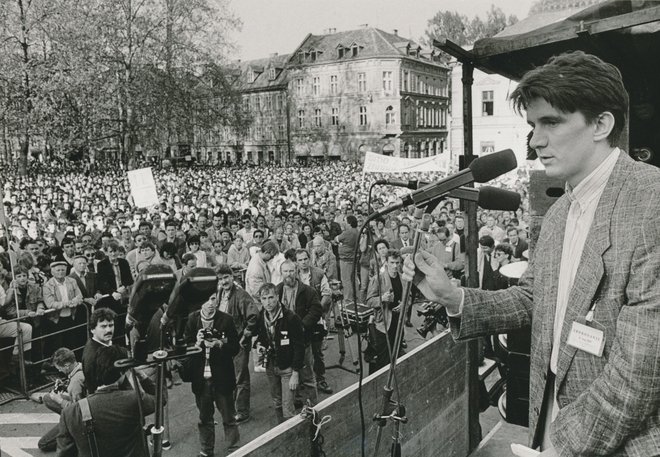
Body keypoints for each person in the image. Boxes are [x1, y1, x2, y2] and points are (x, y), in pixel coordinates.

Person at [403, 51, 660, 456]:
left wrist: (562, 444)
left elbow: (640, 374)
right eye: (532, 125)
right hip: (548, 420)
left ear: (601, 124)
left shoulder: (652, 202)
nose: (535, 140)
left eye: (551, 122)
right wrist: (453, 298)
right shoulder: (559, 212)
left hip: (613, 440)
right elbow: (533, 297)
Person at [56, 345, 155, 457]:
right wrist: (142, 376)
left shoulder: (69, 413)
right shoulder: (133, 399)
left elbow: (64, 454)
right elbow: (160, 399)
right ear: (121, 372)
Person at [184, 291, 241, 456]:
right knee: (204, 419)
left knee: (229, 417)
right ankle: (206, 451)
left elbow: (235, 347)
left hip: (222, 378)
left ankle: (234, 449)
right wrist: (197, 342)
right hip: (202, 381)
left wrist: (219, 344)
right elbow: (186, 348)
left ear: (217, 299)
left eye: (213, 299)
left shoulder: (226, 319)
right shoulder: (192, 319)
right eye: (206, 299)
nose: (210, 303)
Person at [254, 283, 305, 423]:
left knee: (288, 408)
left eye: (271, 297)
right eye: (264, 298)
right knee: (276, 402)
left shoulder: (291, 317)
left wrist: (295, 373)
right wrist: (260, 345)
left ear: (277, 297)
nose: (268, 302)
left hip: (287, 368)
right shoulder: (261, 316)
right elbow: (261, 337)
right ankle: (280, 431)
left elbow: (300, 347)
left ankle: (293, 436)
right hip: (271, 366)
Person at [215, 263, 258, 424]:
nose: (224, 281)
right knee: (228, 376)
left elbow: (253, 317)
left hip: (238, 342)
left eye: (226, 277)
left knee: (241, 378)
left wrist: (245, 336)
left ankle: (242, 411)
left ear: (232, 277)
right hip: (224, 342)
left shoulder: (241, 295)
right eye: (220, 279)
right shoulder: (219, 292)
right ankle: (231, 408)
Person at [35, 347, 86, 452]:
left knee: (43, 444)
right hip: (83, 403)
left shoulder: (76, 382)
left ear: (67, 365)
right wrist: (64, 385)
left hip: (81, 418)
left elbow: (78, 411)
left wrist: (59, 400)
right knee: (47, 398)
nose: (58, 370)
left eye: (59, 367)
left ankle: (75, 436)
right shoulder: (80, 368)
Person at [82, 308, 116, 394]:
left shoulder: (96, 343)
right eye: (103, 326)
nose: (108, 330)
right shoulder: (95, 354)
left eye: (111, 325)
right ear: (92, 329)